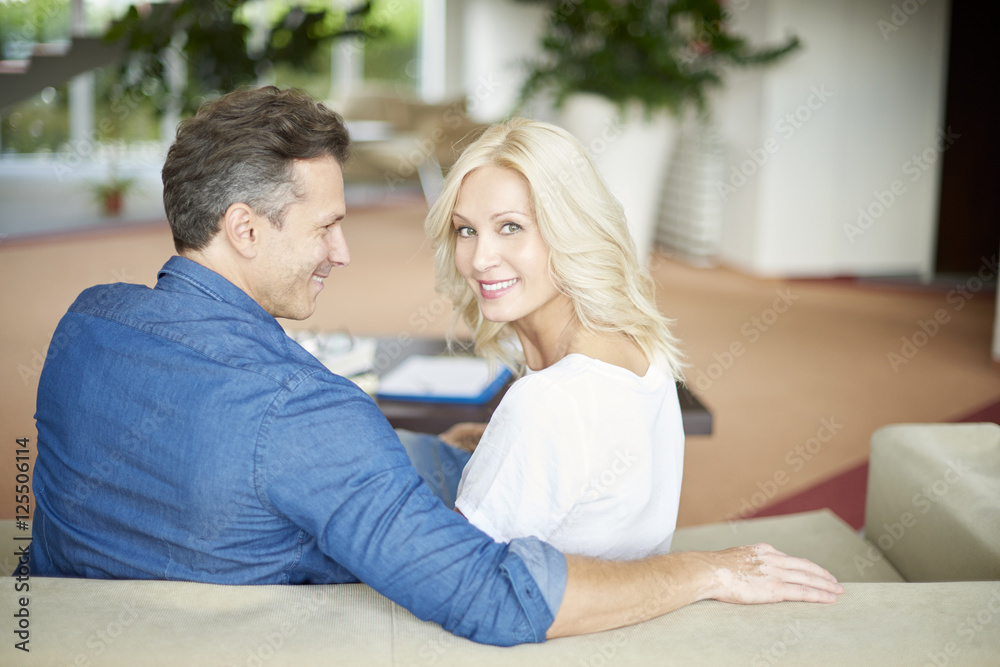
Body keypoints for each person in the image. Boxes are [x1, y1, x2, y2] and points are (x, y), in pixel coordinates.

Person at [31, 87, 842, 649]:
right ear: (244, 228)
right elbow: (494, 594)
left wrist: (457, 453)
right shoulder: (310, 416)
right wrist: (702, 569)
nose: (345, 252)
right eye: (327, 227)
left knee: (436, 449)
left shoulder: (84, 321)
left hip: (70, 598)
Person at [422, 117, 684, 559]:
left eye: (511, 227)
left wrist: (517, 436)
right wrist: (498, 440)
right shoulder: (640, 342)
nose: (480, 259)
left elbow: (454, 578)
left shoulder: (545, 403)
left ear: (571, 229)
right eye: (466, 230)